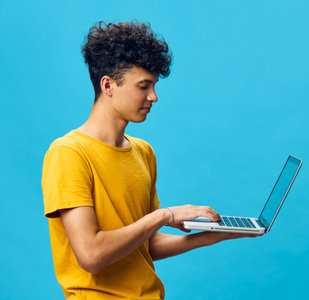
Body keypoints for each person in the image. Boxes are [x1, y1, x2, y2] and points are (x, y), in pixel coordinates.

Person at [41, 21, 256, 300]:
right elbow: (91, 255)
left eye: (153, 86)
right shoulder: (69, 152)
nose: (153, 97)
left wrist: (209, 236)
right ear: (108, 84)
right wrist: (165, 215)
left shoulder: (143, 151)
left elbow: (146, 245)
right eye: (144, 86)